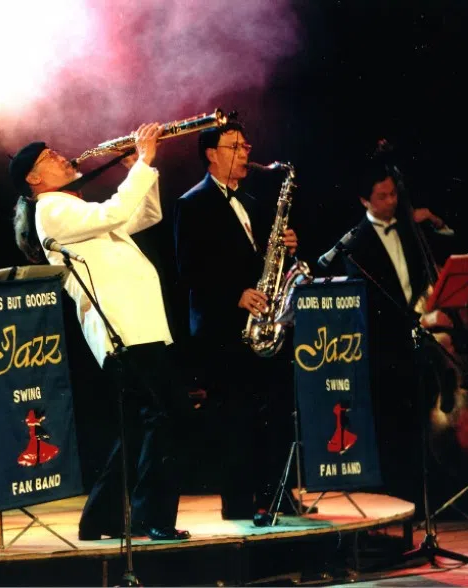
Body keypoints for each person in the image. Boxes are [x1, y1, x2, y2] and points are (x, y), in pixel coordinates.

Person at [10, 123, 191, 541]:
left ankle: (100, 519)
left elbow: (144, 214)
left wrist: (141, 171)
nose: (62, 157)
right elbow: (114, 212)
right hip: (124, 329)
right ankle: (151, 518)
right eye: (48, 158)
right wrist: (143, 162)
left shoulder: (71, 207)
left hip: (137, 325)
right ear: (34, 179)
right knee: (169, 416)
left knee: (138, 427)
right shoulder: (51, 208)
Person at [174, 121, 299, 526]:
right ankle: (239, 503)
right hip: (222, 330)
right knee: (235, 418)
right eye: (235, 147)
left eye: (246, 145)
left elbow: (264, 263)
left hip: (260, 325)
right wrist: (235, 295)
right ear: (211, 154)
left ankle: (274, 494)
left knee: (271, 412)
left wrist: (284, 247)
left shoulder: (251, 202)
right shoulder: (192, 203)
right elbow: (188, 271)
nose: (245, 153)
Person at [333, 160, 454, 505]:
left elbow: (430, 267)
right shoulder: (354, 244)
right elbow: (362, 304)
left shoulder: (409, 230)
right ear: (364, 201)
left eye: (392, 194)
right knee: (393, 429)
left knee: (418, 422)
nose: (391, 202)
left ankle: (426, 500)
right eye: (382, 197)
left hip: (416, 340)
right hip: (383, 347)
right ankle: (398, 503)